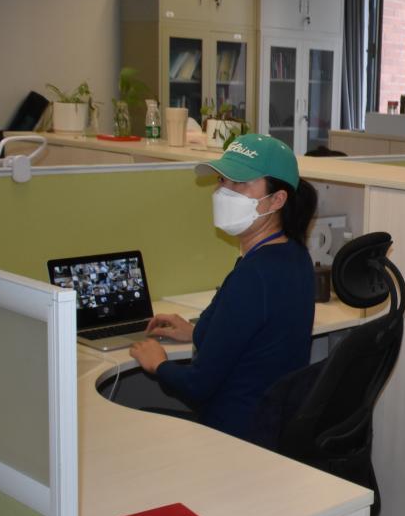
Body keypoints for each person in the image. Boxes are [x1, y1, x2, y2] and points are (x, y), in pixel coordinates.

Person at [129, 133, 318, 441]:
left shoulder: (255, 275)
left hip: (233, 437)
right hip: (267, 426)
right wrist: (197, 332)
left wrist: (158, 364)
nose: (223, 192)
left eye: (239, 183)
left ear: (277, 199)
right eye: (222, 180)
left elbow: (196, 386)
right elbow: (256, 337)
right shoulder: (294, 256)